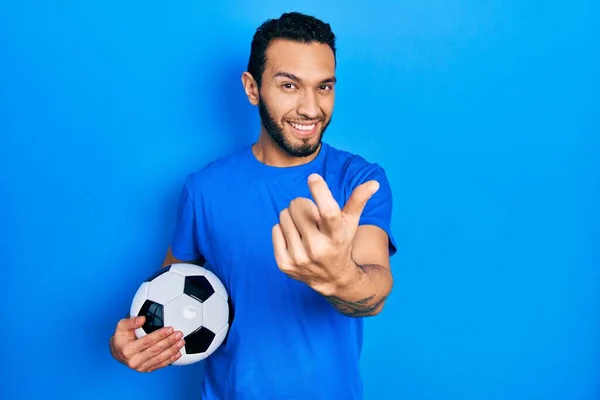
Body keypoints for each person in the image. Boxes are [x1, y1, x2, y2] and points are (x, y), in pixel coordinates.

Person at [109, 11, 397, 400]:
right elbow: (168, 295)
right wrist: (133, 341)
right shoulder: (204, 190)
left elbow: (375, 289)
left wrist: (338, 276)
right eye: (290, 86)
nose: (311, 108)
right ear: (252, 88)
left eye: (324, 87)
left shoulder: (358, 180)